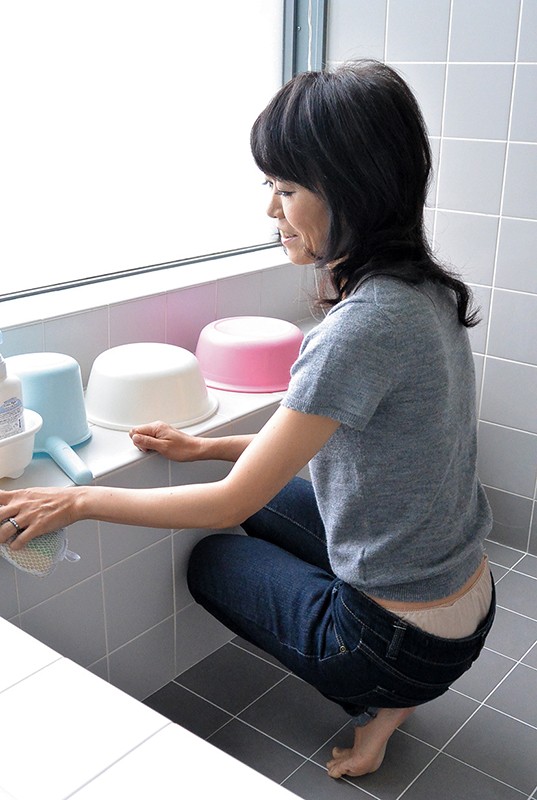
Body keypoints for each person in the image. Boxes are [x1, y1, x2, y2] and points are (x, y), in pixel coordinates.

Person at [0, 59, 495, 779]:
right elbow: (319, 449)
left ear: (353, 190)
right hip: (467, 599)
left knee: (217, 559)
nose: (270, 211)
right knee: (273, 504)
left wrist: (76, 501)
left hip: (399, 647)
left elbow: (232, 504)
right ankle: (396, 687)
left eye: (286, 189)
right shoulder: (424, 293)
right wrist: (200, 448)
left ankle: (382, 700)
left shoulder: (358, 329)